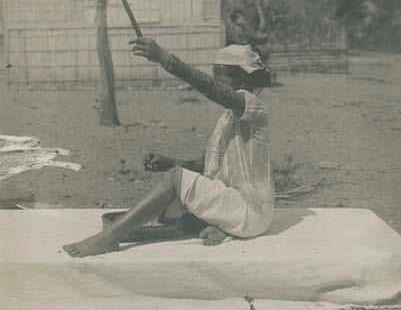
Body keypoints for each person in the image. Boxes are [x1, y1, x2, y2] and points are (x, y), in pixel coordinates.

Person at [63, 42, 274, 258]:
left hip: (251, 211)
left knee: (174, 183)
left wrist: (165, 59)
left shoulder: (255, 108)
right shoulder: (227, 119)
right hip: (232, 203)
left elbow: (214, 90)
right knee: (166, 213)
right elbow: (203, 166)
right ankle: (217, 226)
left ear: (242, 79)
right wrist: (170, 162)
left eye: (222, 78)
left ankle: (110, 238)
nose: (218, 83)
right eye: (216, 77)